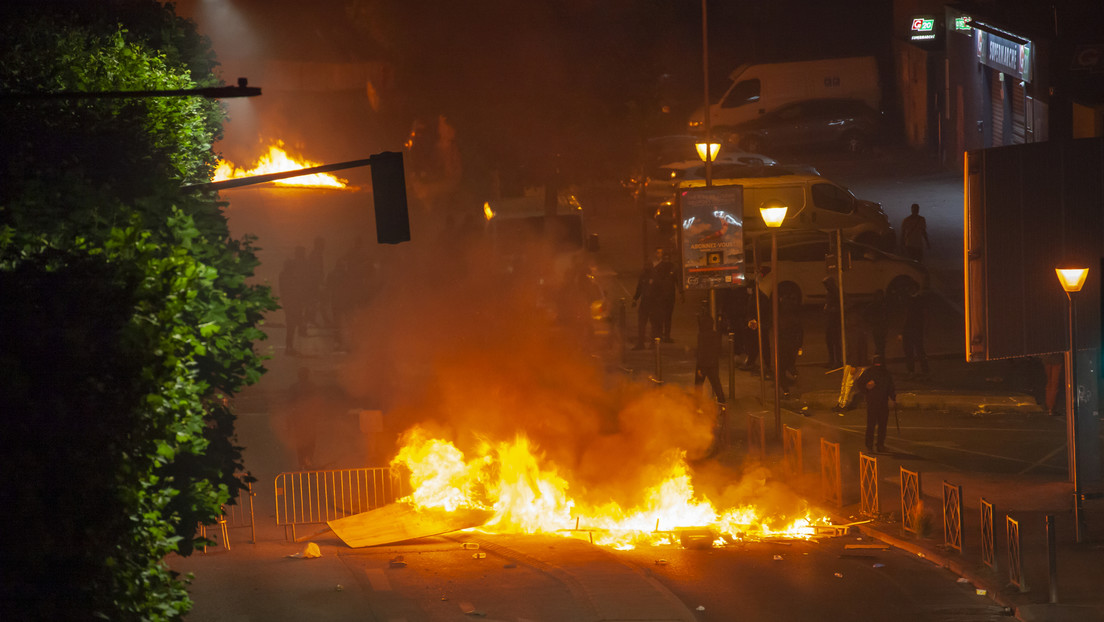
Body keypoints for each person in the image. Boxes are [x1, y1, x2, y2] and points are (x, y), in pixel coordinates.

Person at [856, 354, 896, 453]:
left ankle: (880, 445)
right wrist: (866, 387)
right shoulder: (869, 373)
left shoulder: (885, 373)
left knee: (882, 425)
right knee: (871, 425)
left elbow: (890, 387)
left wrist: (893, 398)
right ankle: (870, 446)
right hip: (873, 402)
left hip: (883, 402)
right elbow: (859, 384)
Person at [278, 245, 312, 355]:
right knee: (291, 325)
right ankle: (289, 347)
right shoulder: (290, 277)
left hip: (289, 302)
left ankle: (289, 347)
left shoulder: (283, 275)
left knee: (291, 325)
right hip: (292, 303)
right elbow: (295, 289)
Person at [286, 366, 319, 469]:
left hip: (301, 420)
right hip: (307, 420)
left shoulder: (294, 388)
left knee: (302, 442)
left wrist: (290, 422)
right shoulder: (312, 387)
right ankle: (307, 461)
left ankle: (303, 462)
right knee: (308, 441)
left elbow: (290, 405)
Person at [694, 302, 725, 403]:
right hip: (712, 364)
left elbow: (700, 352)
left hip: (703, 365)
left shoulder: (701, 336)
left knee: (698, 386)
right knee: (716, 384)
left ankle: (697, 403)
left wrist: (699, 366)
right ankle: (722, 402)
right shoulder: (715, 335)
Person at [631, 249, 663, 349]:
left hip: (653, 304)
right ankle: (641, 343)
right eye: (646, 265)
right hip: (644, 303)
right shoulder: (643, 275)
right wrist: (635, 299)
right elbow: (639, 288)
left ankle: (654, 343)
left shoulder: (656, 276)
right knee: (641, 324)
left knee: (654, 324)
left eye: (648, 265)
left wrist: (658, 302)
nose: (646, 267)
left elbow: (660, 290)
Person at [652, 247, 681, 342]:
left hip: (668, 296)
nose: (666, 260)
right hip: (661, 296)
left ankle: (666, 335)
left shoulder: (671, 267)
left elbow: (677, 281)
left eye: (667, 258)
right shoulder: (659, 268)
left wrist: (681, 292)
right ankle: (661, 335)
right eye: (665, 258)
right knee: (662, 316)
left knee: (667, 316)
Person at [777, 294, 803, 396]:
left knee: (781, 368)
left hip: (783, 345)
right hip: (793, 345)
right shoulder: (795, 318)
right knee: (789, 363)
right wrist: (799, 345)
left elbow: (778, 332)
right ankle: (793, 373)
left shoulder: (781, 318)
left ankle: (785, 389)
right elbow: (800, 332)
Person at [901, 283, 930, 378]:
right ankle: (912, 370)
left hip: (916, 328)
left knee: (919, 350)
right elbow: (905, 315)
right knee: (909, 351)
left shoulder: (919, 299)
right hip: (909, 328)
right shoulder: (909, 299)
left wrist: (925, 328)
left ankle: (924, 370)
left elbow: (925, 315)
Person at [822, 277, 843, 369]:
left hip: (835, 322)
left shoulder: (837, 293)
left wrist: (835, 309)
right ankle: (831, 360)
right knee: (829, 342)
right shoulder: (829, 293)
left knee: (836, 343)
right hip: (829, 321)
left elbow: (845, 304)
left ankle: (838, 361)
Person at [864, 289, 889, 360]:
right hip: (877, 328)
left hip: (882, 328)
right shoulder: (873, 306)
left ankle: (880, 364)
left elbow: (887, 317)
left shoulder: (883, 306)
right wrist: (872, 322)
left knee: (881, 347)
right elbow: (865, 315)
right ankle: (879, 363)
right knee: (879, 347)